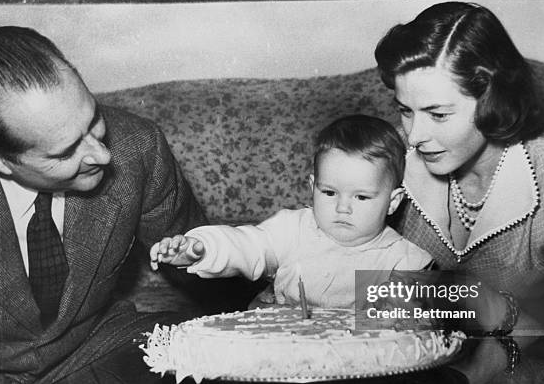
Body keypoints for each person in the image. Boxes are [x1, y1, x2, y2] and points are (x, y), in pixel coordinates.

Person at [375, 1, 544, 384]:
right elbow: (358, 288)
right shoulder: (390, 158)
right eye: (405, 111)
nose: (413, 136)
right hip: (402, 371)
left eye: (438, 114)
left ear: (492, 98)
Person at [0, 26, 213, 384]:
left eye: (93, 120)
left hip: (93, 346)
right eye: (65, 152)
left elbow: (205, 265)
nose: (102, 155)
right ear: (1, 161)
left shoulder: (136, 147)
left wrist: (224, 259)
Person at [150, 114, 432, 308]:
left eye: (361, 197)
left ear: (393, 202)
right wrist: (201, 248)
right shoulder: (294, 229)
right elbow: (247, 245)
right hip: (282, 350)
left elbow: (416, 330)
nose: (342, 207)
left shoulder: (401, 261)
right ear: (313, 187)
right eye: (330, 192)